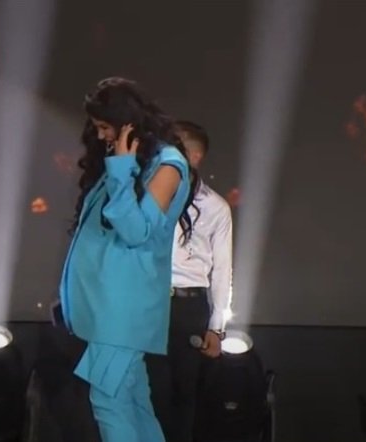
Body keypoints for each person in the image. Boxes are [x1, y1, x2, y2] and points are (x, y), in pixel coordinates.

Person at [58, 77, 195, 442]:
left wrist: (121, 169)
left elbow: (136, 231)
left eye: (106, 127)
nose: (101, 135)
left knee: (110, 401)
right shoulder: (130, 163)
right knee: (133, 402)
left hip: (123, 310)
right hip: (106, 308)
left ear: (128, 124)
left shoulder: (168, 165)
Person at [147, 120, 233, 442]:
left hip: (187, 306)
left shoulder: (215, 207)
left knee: (183, 394)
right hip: (148, 301)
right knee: (148, 391)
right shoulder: (150, 193)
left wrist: (216, 327)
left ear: (194, 156)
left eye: (173, 145)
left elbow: (222, 269)